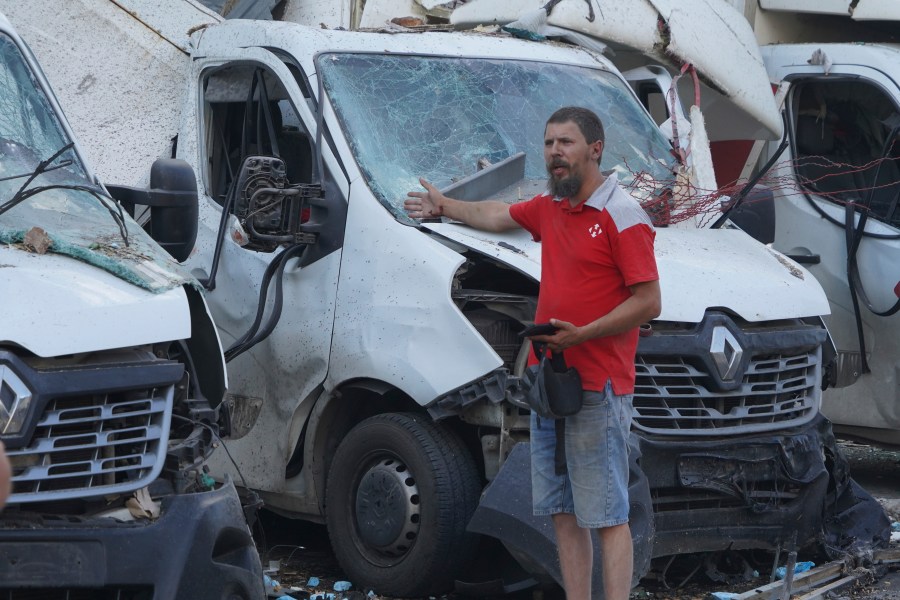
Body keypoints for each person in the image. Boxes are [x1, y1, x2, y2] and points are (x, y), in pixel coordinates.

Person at [404, 106, 661, 600]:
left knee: (607, 515)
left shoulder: (622, 215)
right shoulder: (552, 206)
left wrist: (583, 334)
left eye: (565, 143)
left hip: (598, 389)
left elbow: (649, 302)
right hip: (549, 386)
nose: (554, 154)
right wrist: (446, 206)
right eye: (548, 144)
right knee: (562, 513)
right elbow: (500, 215)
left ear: (595, 149)